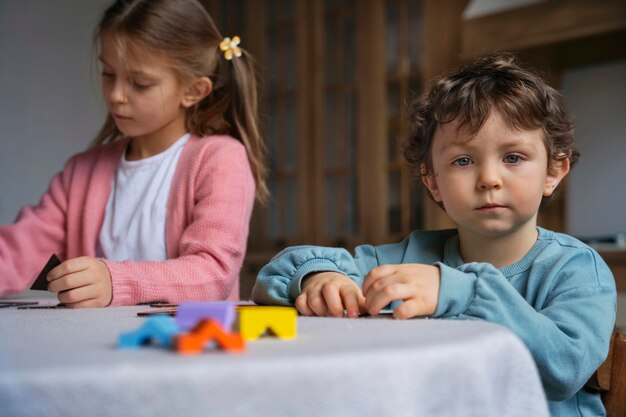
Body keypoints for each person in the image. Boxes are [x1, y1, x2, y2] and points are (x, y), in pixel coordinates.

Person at [252, 53, 616, 417]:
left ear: (554, 170)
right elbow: (281, 272)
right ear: (432, 181)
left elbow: (566, 367)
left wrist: (461, 292)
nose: (489, 178)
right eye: (463, 161)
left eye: (513, 157)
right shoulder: (409, 257)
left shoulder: (577, 269)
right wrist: (319, 277)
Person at [0, 0, 267, 308]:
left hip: (187, 350)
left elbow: (213, 272)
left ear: (193, 91)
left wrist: (114, 281)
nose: (115, 95)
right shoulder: (82, 172)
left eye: (140, 84)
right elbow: (21, 249)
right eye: (108, 74)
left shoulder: (220, 159)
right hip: (94, 349)